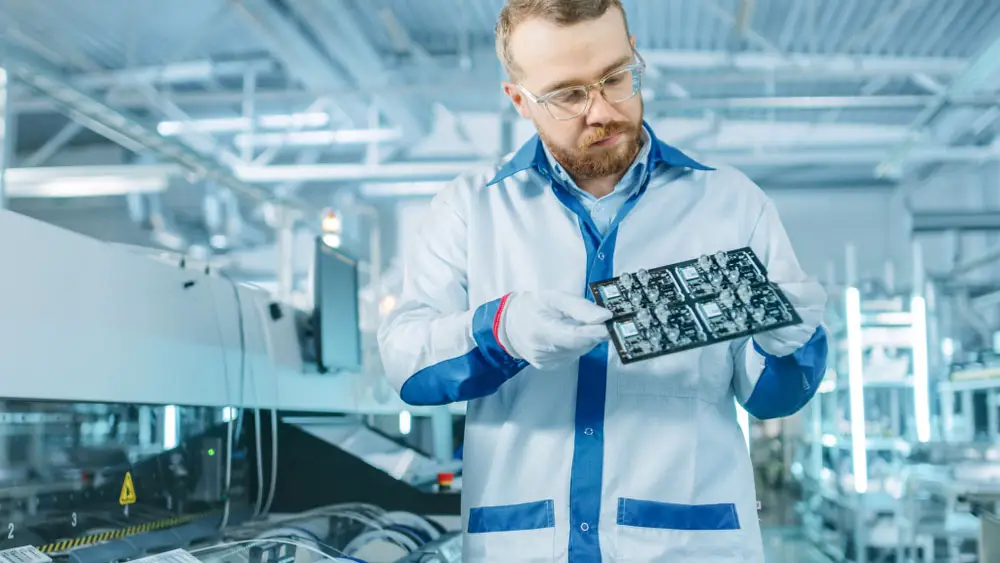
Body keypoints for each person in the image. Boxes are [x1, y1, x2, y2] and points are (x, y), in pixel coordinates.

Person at [377, 0, 828, 561]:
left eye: (616, 78)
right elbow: (405, 364)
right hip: (523, 545)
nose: (601, 111)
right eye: (567, 94)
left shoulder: (732, 204)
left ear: (634, 53)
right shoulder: (471, 210)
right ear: (520, 100)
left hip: (689, 545)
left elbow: (768, 397)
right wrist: (502, 330)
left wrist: (789, 345)